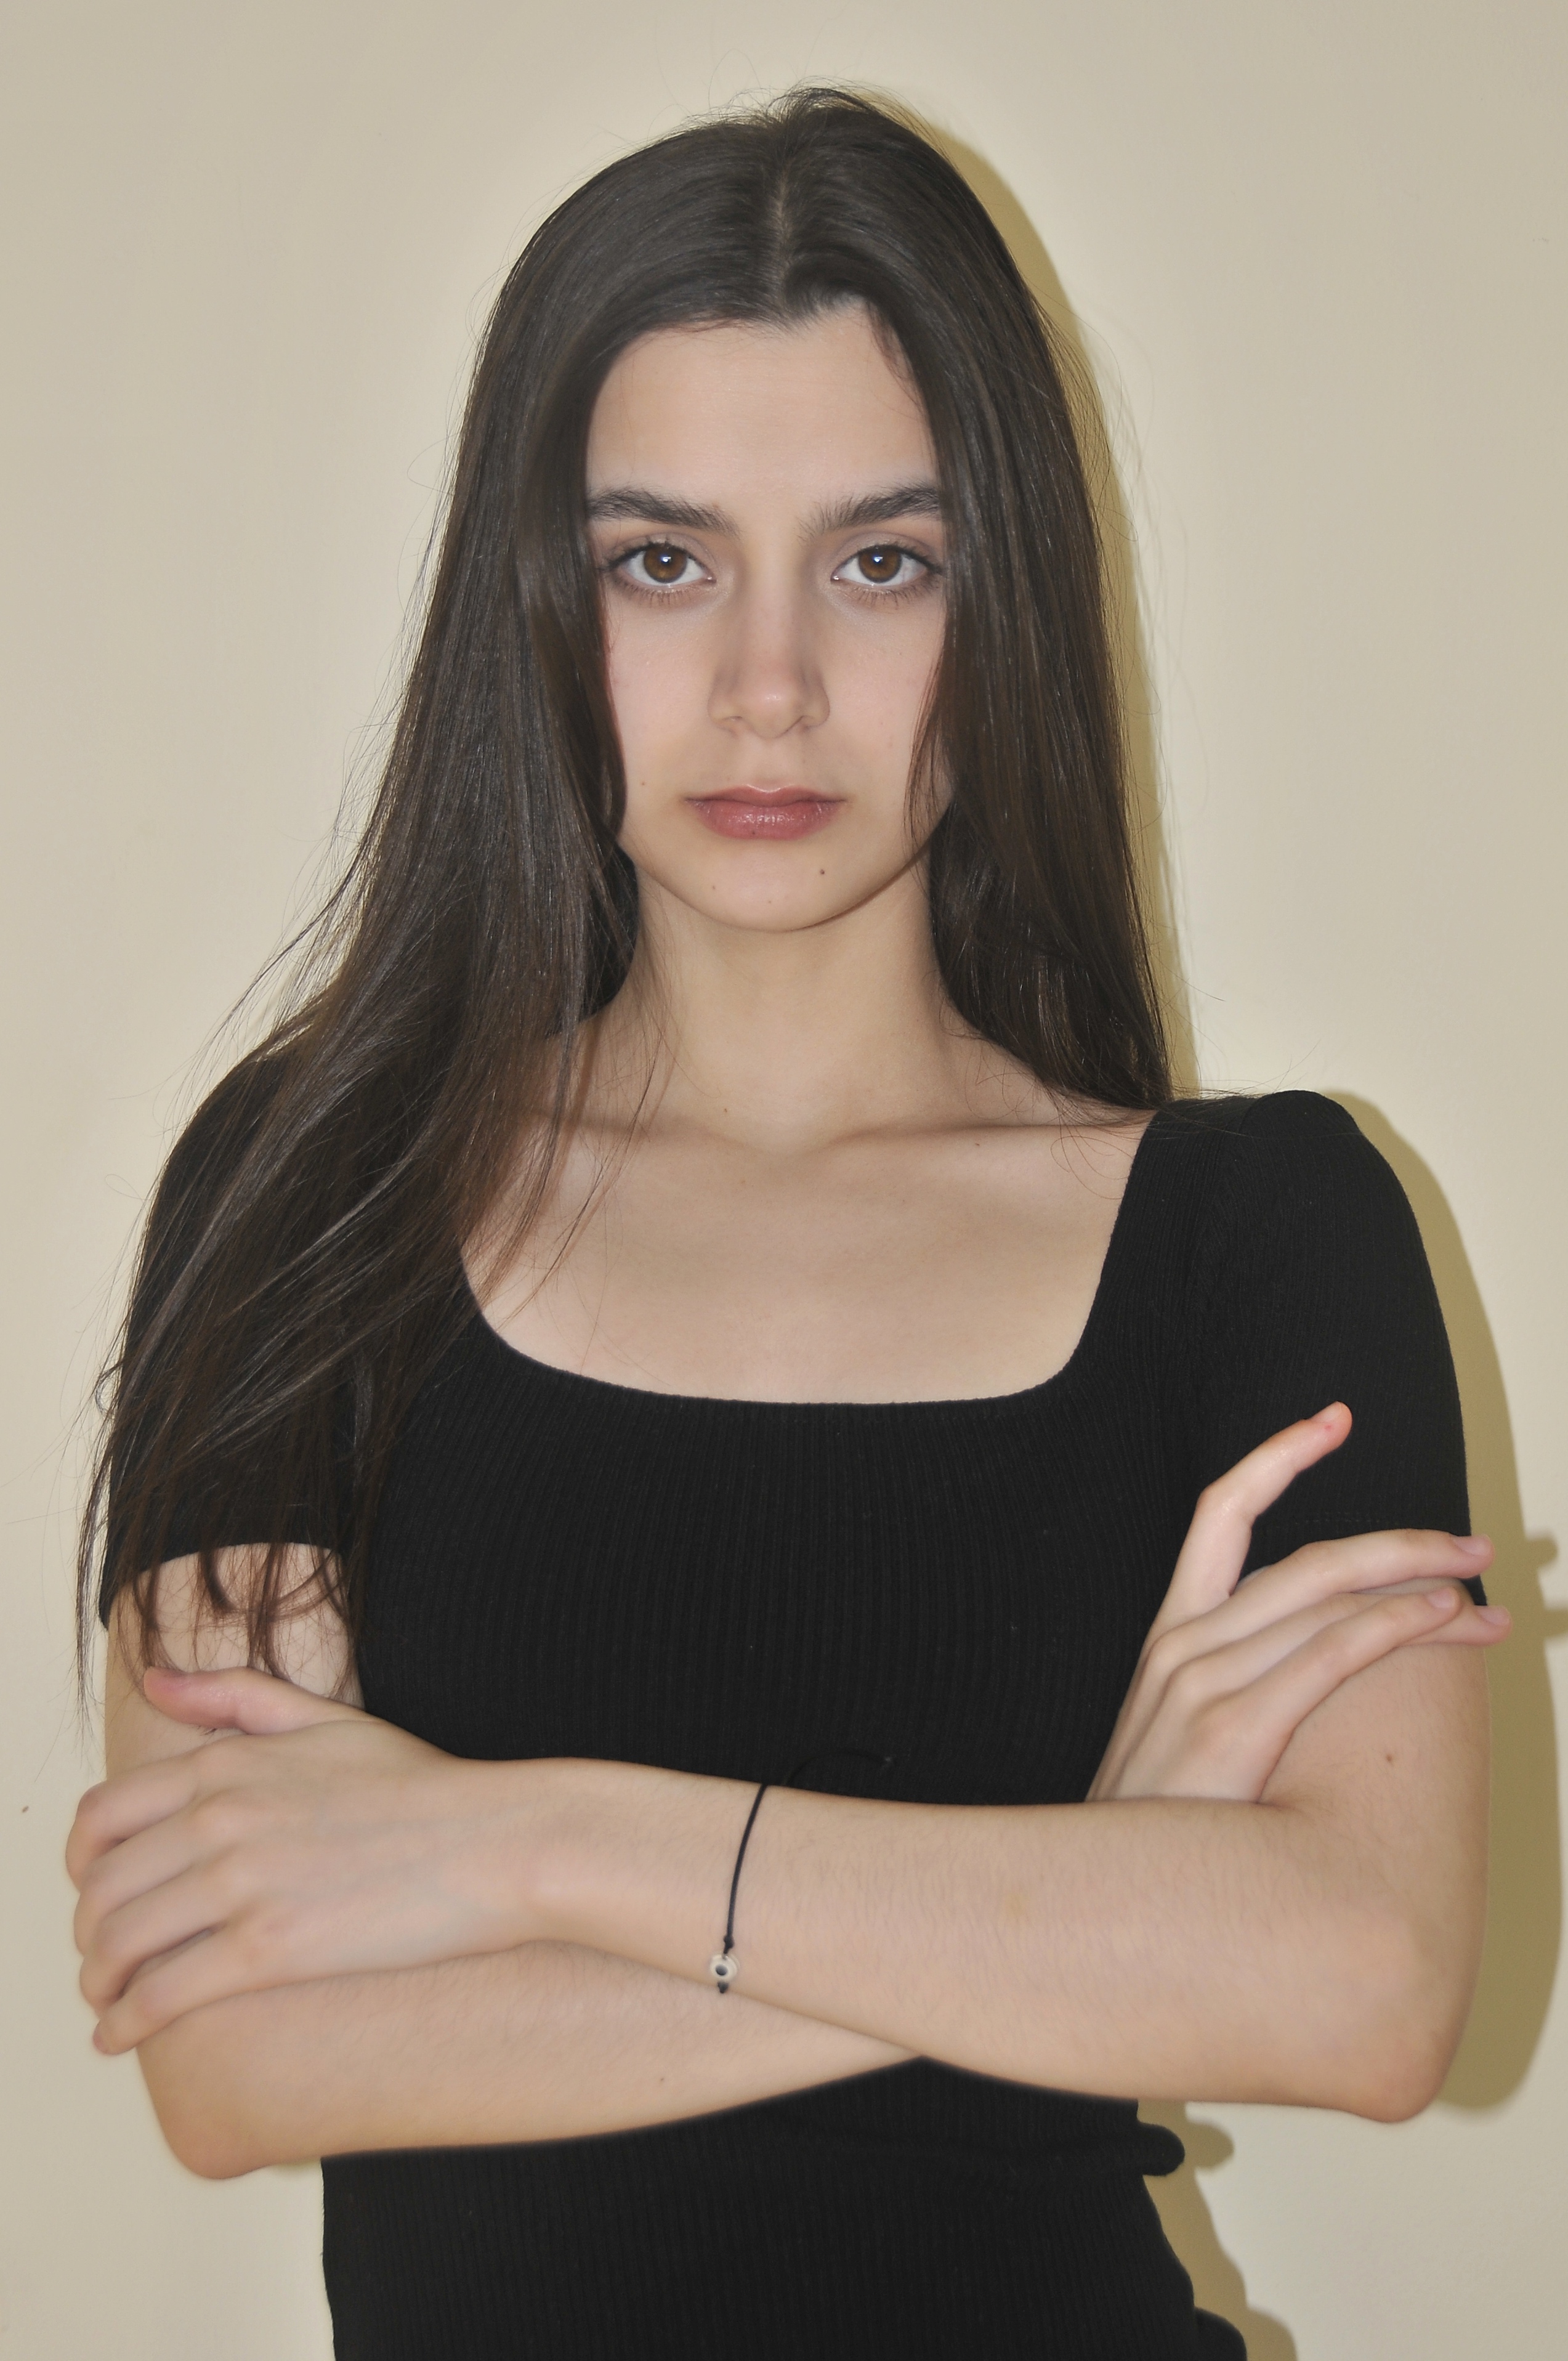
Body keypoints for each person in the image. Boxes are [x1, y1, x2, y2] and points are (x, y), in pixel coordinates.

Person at [67, 88, 1505, 2361]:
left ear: (1003, 602)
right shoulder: (309, 1197)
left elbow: (1364, 1984)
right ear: (534, 607)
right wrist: (1075, 1874)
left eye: (879, 562)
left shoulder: (1260, 1230)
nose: (767, 686)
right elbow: (239, 2051)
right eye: (661, 562)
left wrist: (519, 1843)